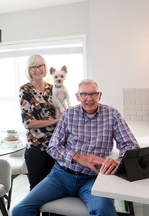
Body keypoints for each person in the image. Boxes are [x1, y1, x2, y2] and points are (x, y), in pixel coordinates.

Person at [12, 79, 140, 216]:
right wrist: (78, 158)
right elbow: (53, 147)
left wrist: (119, 160)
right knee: (19, 210)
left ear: (99, 95)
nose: (89, 99)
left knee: (104, 211)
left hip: (94, 179)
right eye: (84, 94)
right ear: (78, 97)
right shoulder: (68, 115)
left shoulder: (112, 115)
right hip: (60, 176)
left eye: (93, 94)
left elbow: (131, 145)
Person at [19, 54, 60, 191]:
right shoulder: (25, 90)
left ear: (45, 67)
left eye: (40, 66)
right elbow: (28, 123)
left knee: (54, 188)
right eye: (33, 67)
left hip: (54, 146)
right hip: (36, 148)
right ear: (29, 70)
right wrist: (54, 121)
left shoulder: (52, 88)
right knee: (36, 188)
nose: (37, 69)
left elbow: (59, 111)